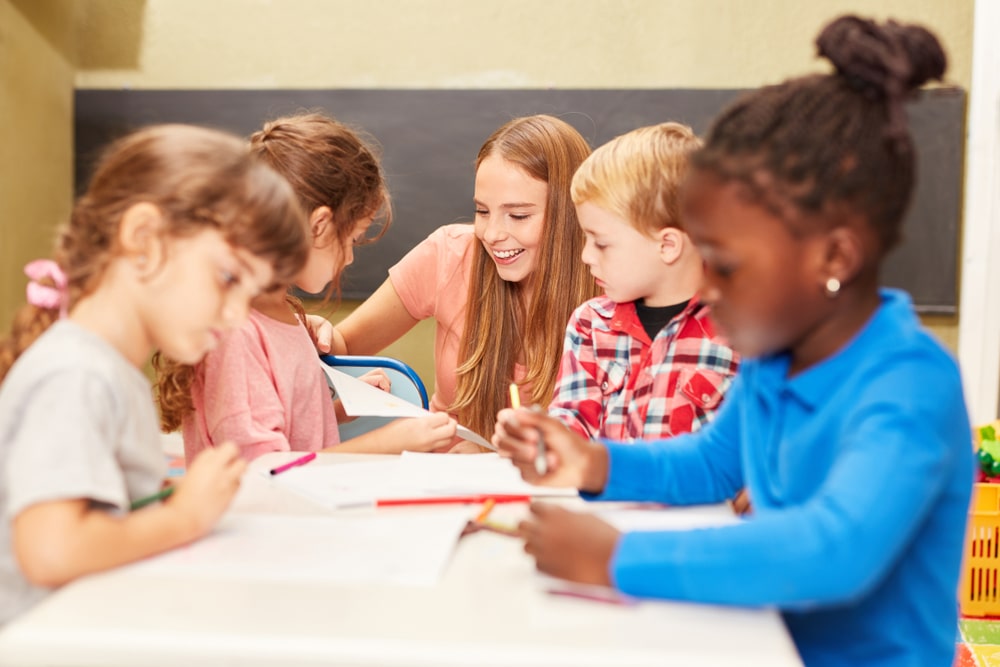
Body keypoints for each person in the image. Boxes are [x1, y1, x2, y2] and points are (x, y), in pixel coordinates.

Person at [493, 16, 972, 667]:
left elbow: (829, 550)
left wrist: (616, 557)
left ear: (833, 256)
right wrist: (596, 463)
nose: (708, 286)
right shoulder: (779, 357)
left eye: (729, 263)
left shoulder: (909, 386)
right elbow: (714, 462)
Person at [0, 124, 310, 625]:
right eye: (228, 277)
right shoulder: (77, 375)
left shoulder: (105, 370)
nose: (235, 315)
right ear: (144, 239)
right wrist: (184, 516)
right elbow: (51, 550)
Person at [155, 113, 457, 463]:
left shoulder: (282, 313)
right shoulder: (236, 334)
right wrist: (389, 443)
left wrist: (339, 411)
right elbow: (264, 469)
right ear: (320, 226)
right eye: (353, 240)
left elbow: (289, 431)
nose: (349, 260)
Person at [317, 114, 599, 441]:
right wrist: (316, 332)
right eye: (482, 211)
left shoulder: (608, 283)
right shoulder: (448, 253)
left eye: (519, 215)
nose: (491, 234)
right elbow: (344, 344)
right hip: (446, 475)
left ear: (569, 214)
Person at [549, 122, 739, 441]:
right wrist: (542, 438)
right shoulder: (590, 325)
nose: (585, 256)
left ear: (667, 246)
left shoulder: (743, 332)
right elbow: (572, 420)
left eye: (601, 243)